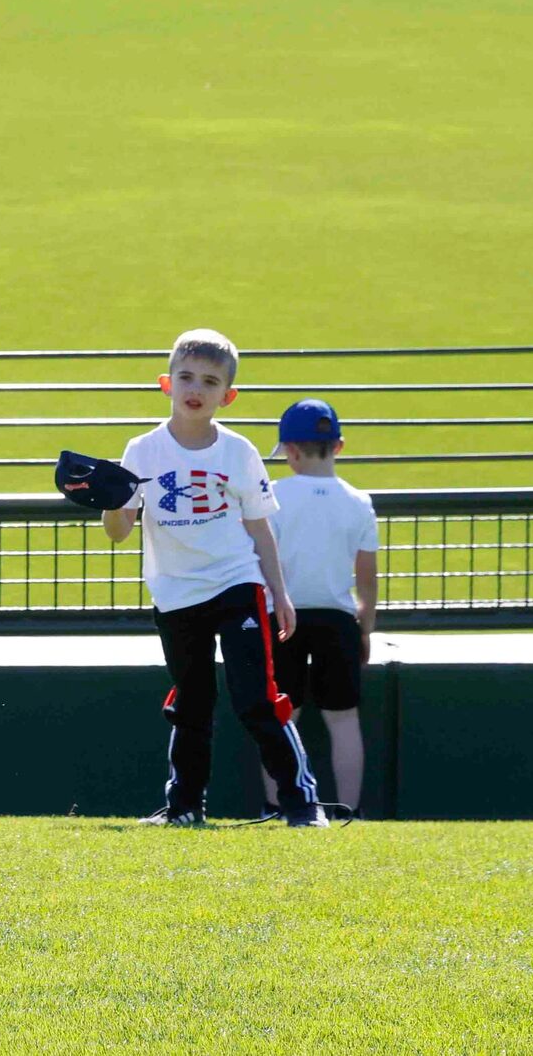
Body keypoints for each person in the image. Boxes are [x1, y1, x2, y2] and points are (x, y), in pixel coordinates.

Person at [103, 330, 325, 827]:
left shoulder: (239, 452)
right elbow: (119, 530)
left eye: (209, 380)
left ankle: (301, 806)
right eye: (185, 377)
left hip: (236, 584)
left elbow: (258, 525)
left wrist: (279, 591)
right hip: (175, 592)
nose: (194, 388)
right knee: (192, 701)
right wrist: (110, 499)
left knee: (257, 698)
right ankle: (184, 809)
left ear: (228, 395)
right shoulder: (141, 450)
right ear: (166, 383)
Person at [259, 399, 378, 820]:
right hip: (338, 618)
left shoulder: (272, 496)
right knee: (343, 721)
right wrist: (365, 627)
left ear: (290, 450)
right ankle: (350, 811)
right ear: (338, 446)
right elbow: (366, 575)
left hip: (283, 617)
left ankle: (279, 809)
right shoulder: (359, 502)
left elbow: (259, 561)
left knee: (280, 717)